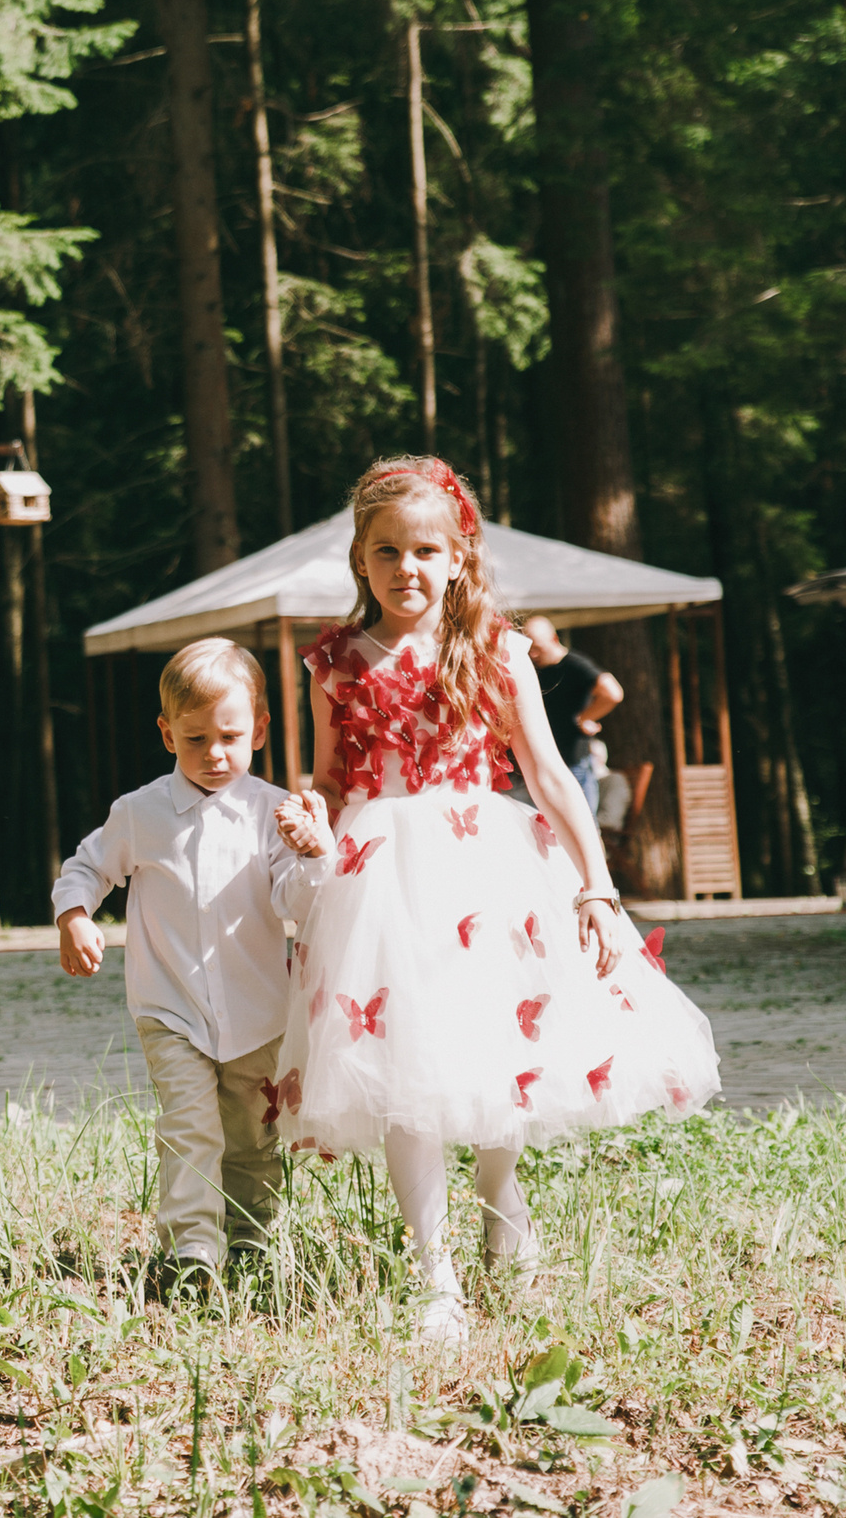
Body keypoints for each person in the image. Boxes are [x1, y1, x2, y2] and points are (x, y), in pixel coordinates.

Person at [271, 457, 719, 1346]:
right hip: (381, 871)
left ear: (458, 555)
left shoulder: (496, 649)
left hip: (487, 862)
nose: (407, 568)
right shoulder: (332, 662)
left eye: (425, 550)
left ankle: (498, 1194)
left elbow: (551, 774)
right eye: (386, 550)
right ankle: (433, 1272)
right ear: (360, 560)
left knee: (491, 1037)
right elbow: (328, 776)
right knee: (406, 1061)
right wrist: (308, 814)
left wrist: (596, 887)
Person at [54, 638, 322, 1283]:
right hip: (169, 1008)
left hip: (259, 1012)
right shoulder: (141, 813)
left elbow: (296, 901)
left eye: (229, 736)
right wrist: (75, 915)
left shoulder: (274, 812)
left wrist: (313, 854)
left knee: (253, 1138)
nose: (213, 753)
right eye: (195, 738)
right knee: (191, 1127)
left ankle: (253, 1242)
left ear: (259, 729)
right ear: (166, 734)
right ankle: (192, 1253)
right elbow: (86, 866)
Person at [519, 615, 622, 813]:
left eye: (538, 648)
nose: (533, 654)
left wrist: (585, 718)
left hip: (572, 760)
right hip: (543, 761)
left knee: (581, 821)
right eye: (529, 649)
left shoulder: (575, 664)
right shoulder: (535, 668)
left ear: (554, 639)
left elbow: (613, 693)